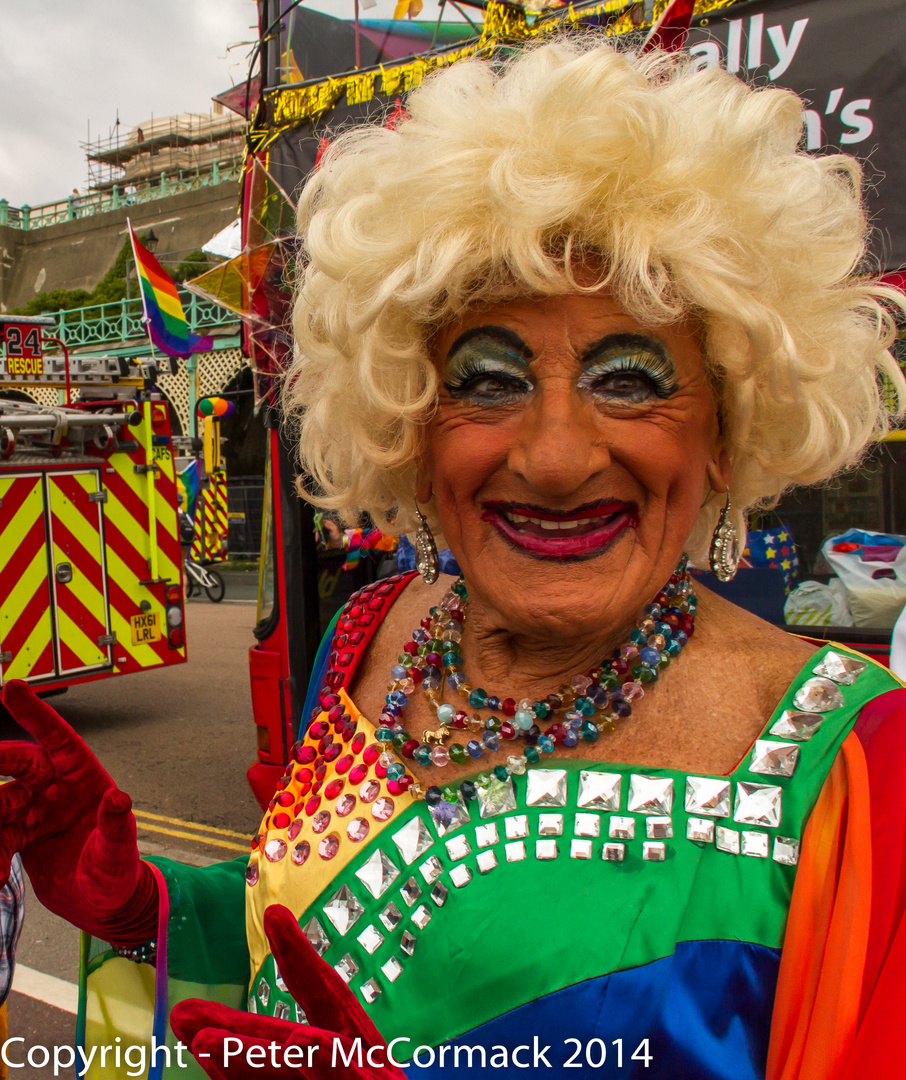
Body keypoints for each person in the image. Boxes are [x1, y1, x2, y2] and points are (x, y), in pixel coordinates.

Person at [1, 33, 906, 1080]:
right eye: (486, 378)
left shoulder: (855, 768)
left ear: (725, 425)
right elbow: (298, 931)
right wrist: (142, 904)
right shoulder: (372, 634)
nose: (558, 457)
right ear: (407, 419)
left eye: (628, 377)